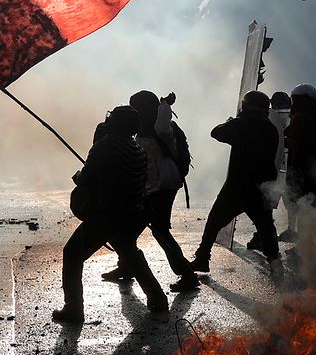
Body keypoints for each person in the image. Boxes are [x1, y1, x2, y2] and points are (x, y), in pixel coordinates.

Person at [53, 106, 168, 323]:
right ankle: (158, 299)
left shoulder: (105, 146)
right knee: (130, 254)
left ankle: (73, 309)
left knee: (72, 254)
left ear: (115, 124)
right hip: (130, 213)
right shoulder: (137, 149)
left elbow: (86, 178)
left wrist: (79, 175)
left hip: (106, 214)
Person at [101, 91, 198, 292]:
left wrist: (164, 105)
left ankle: (187, 275)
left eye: (136, 107)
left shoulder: (161, 127)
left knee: (157, 231)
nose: (134, 112)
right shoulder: (143, 129)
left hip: (162, 187)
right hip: (151, 188)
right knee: (132, 231)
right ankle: (127, 267)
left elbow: (162, 125)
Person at [191, 90, 282, 277]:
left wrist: (231, 120)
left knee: (214, 222)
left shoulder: (241, 124)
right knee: (266, 227)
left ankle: (202, 258)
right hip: (261, 186)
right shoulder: (270, 128)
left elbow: (216, 132)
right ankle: (276, 265)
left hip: (237, 186)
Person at [247, 91, 291, 250]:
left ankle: (264, 239)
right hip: (286, 167)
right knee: (283, 204)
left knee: (265, 205)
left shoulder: (270, 117)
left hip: (272, 167)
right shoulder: (292, 118)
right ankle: (284, 233)